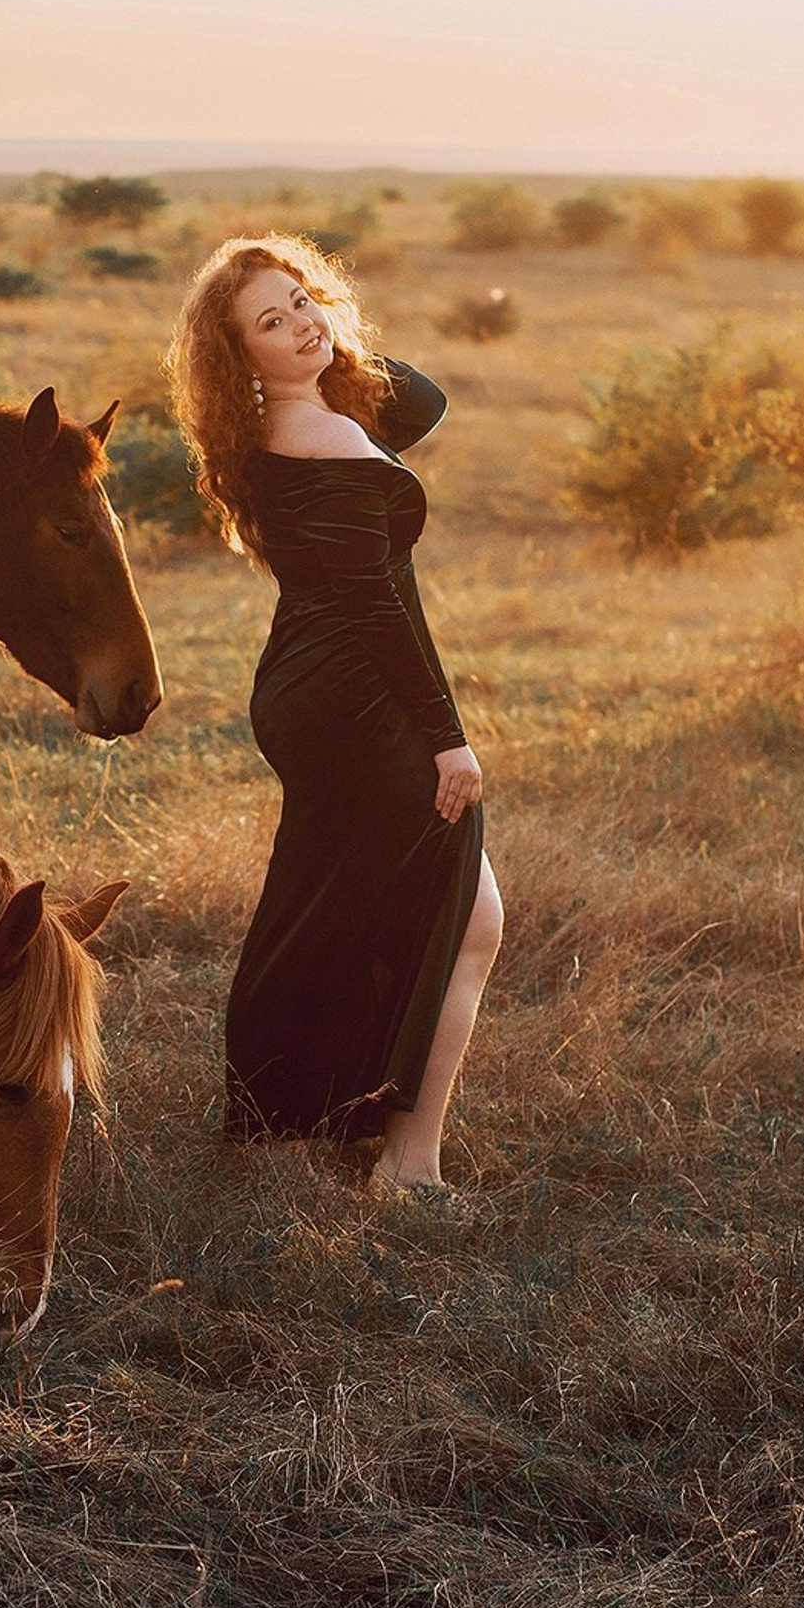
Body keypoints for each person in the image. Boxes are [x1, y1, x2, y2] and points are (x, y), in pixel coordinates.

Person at [167, 235, 502, 1191]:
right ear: (241, 360)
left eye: (304, 301)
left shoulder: (291, 427)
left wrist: (324, 340)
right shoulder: (321, 439)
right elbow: (379, 609)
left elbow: (422, 398)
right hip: (358, 698)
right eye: (269, 324)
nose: (301, 324)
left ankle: (353, 1121)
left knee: (373, 906)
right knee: (464, 917)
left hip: (316, 689)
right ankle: (408, 1164)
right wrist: (449, 742)